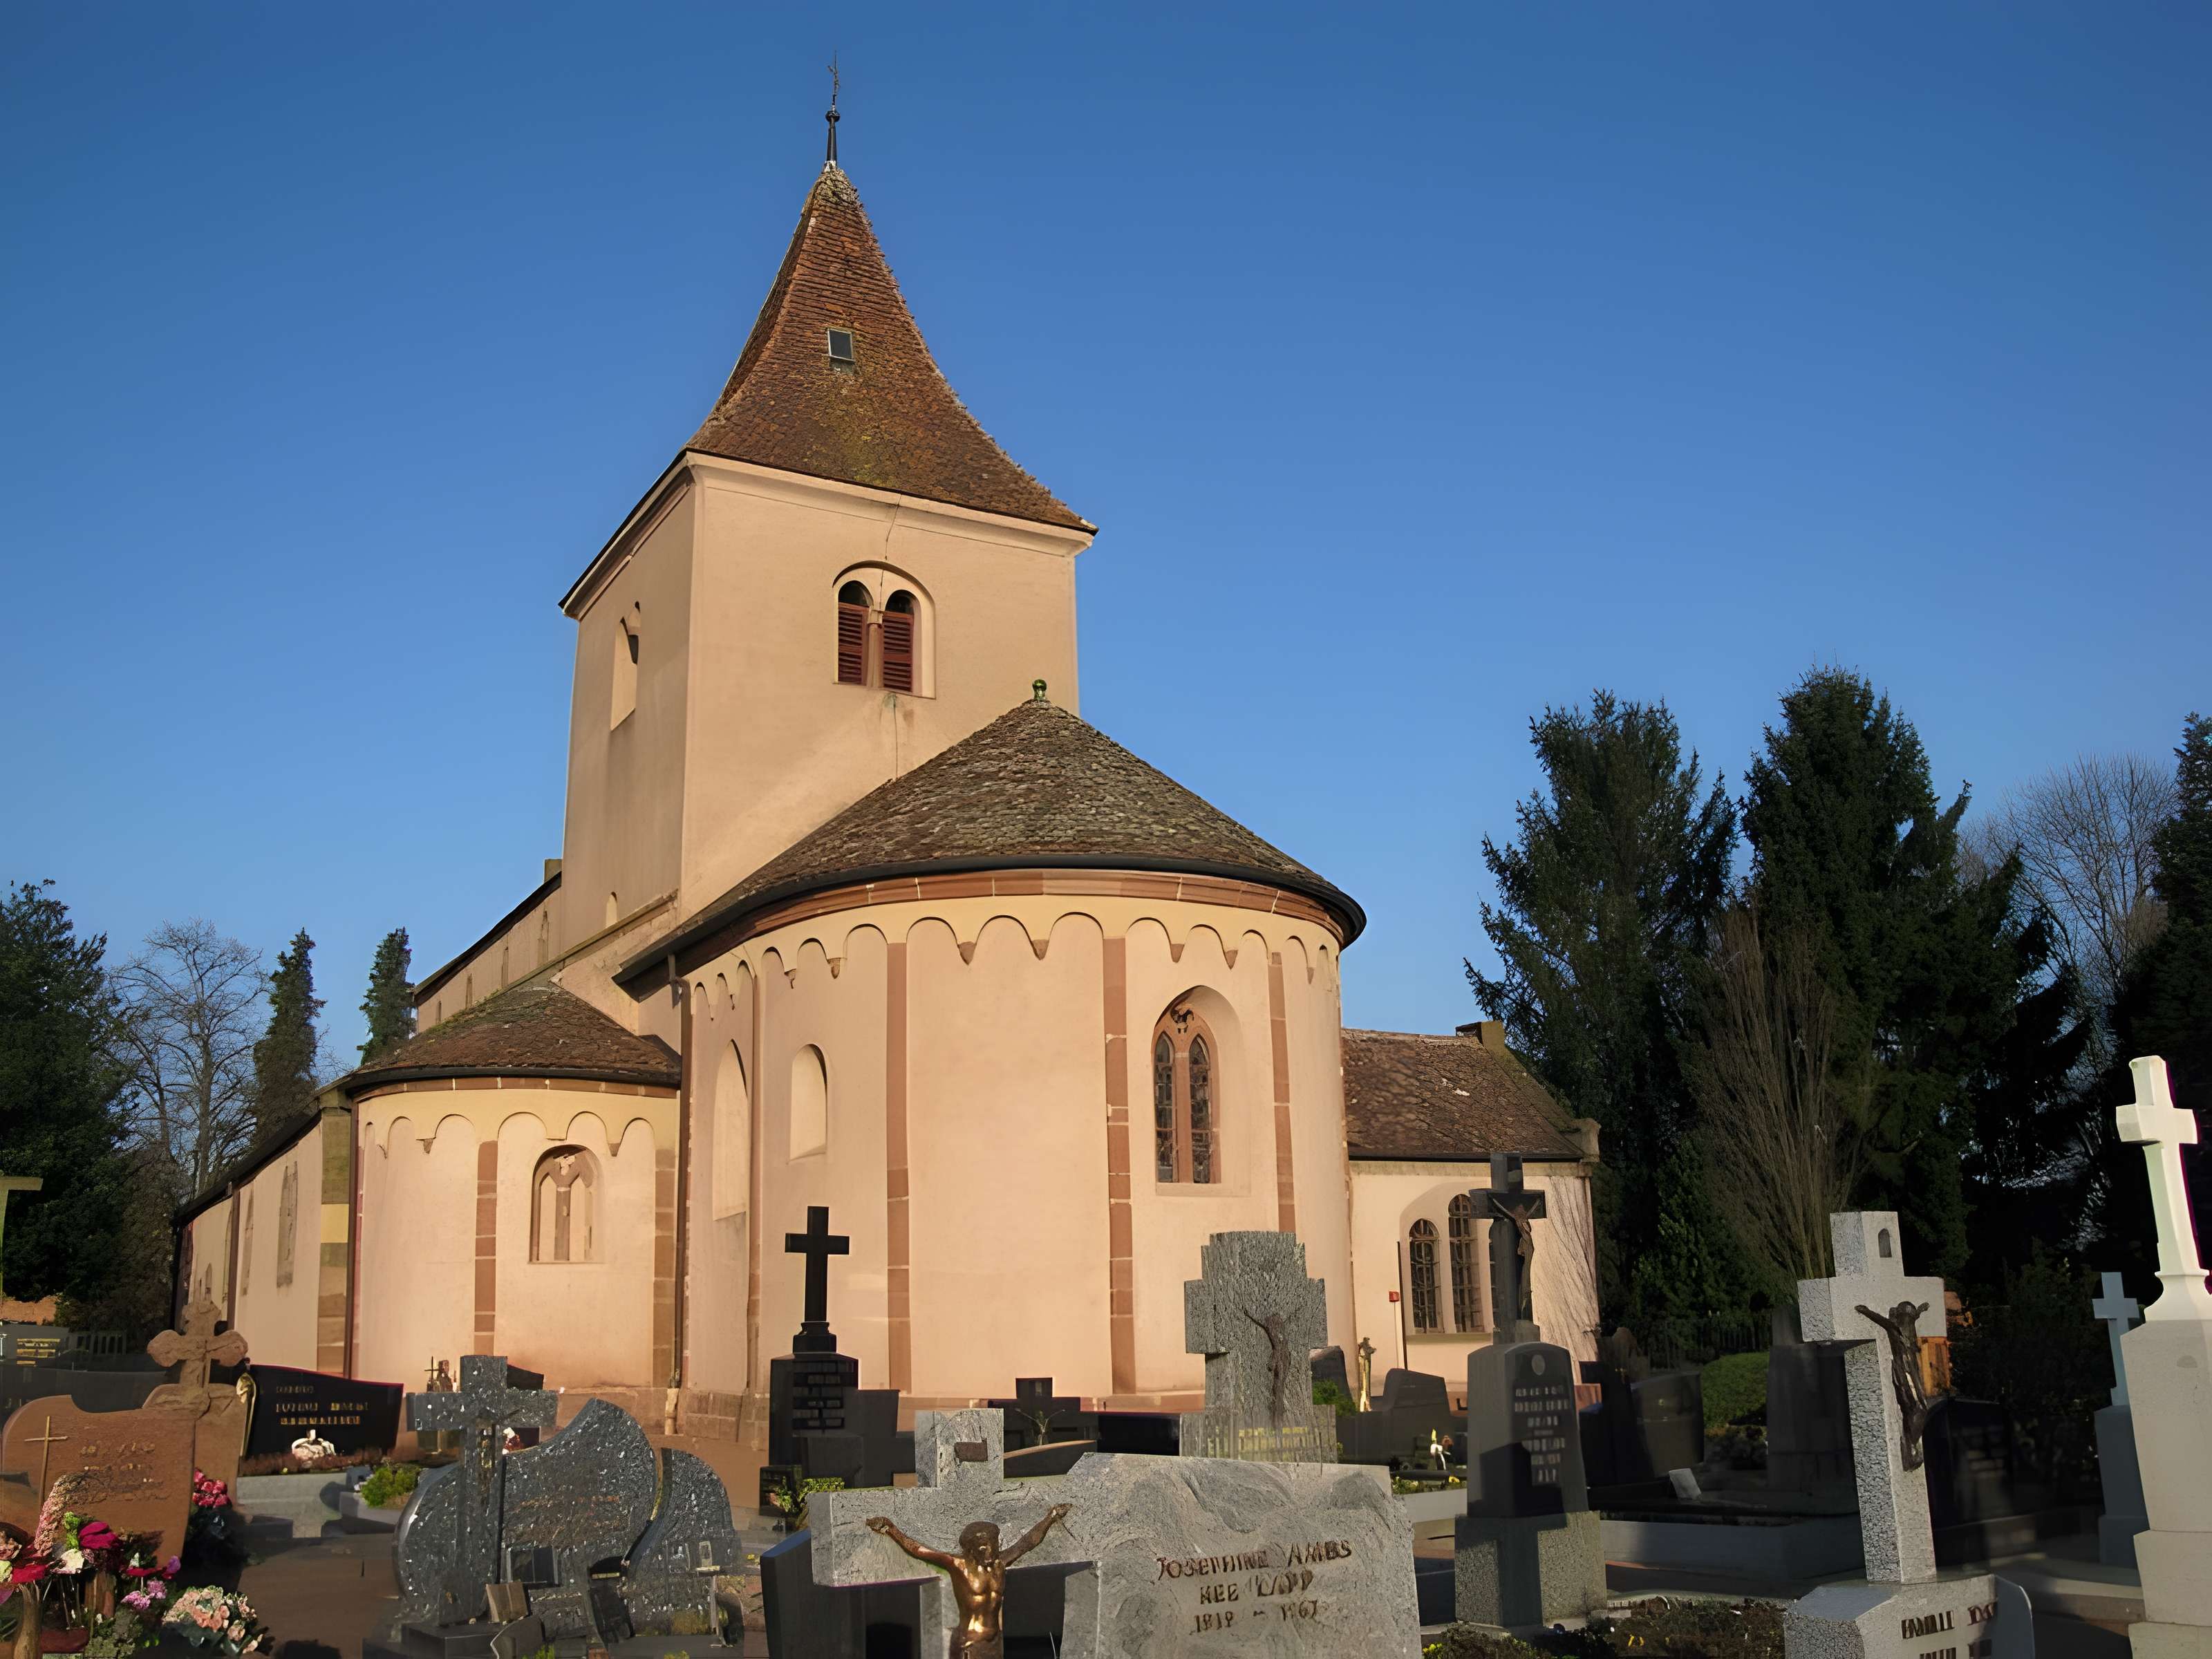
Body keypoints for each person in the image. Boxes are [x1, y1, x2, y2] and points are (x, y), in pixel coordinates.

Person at [865, 1504, 1073, 1659]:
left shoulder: (1000, 1563)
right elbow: (919, 1550)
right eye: (983, 1547)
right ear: (971, 1549)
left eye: (994, 1544)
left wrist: (1051, 1517)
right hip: (969, 1645)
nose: (990, 1551)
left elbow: (1028, 1542)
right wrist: (890, 1529)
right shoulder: (958, 1566)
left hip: (994, 1642)